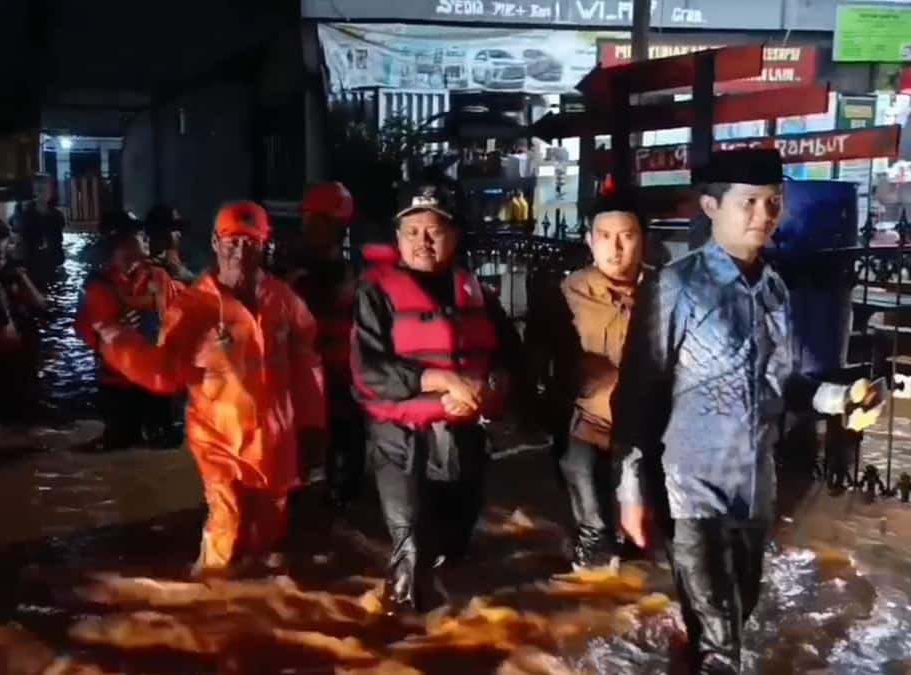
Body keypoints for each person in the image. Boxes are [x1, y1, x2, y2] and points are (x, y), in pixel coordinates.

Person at [613, 149, 885, 675]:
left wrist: (841, 399)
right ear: (711, 205)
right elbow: (638, 392)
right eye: (750, 202)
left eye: (773, 202)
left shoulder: (776, 290)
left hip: (755, 489)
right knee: (722, 639)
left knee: (737, 616)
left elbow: (781, 387)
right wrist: (631, 490)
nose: (763, 214)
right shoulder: (677, 285)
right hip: (690, 489)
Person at [92, 200, 326, 573]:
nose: (239, 251)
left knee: (267, 533)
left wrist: (313, 426)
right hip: (218, 440)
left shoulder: (284, 300)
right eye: (231, 242)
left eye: (250, 242)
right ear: (216, 244)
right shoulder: (193, 306)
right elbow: (164, 371)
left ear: (264, 246)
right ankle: (209, 599)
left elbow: (307, 364)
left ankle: (254, 607)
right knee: (227, 523)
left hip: (276, 440)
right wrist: (118, 343)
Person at [351, 182, 521, 612]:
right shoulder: (375, 292)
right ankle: (398, 645)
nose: (422, 242)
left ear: (454, 236)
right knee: (413, 553)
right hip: (401, 438)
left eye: (433, 231)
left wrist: (492, 387)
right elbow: (367, 373)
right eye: (412, 232)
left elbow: (511, 357)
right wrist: (441, 380)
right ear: (397, 237)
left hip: (463, 436)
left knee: (456, 548)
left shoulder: (476, 291)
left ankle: (454, 640)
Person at [535, 188, 645, 570]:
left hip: (647, 432)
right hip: (585, 425)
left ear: (644, 239)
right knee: (594, 533)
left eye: (627, 236)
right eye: (604, 237)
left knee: (644, 539)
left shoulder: (666, 294)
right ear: (589, 241)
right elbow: (536, 354)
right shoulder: (567, 294)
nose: (615, 249)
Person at [286, 181, 366, 506]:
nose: (336, 232)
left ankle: (339, 497)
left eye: (338, 226)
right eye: (328, 224)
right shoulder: (295, 269)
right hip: (307, 375)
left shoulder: (343, 268)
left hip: (340, 373)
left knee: (346, 445)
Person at [74, 217, 175, 450]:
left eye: (140, 241)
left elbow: (175, 320)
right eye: (128, 248)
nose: (135, 256)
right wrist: (114, 329)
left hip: (156, 379)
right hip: (118, 381)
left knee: (160, 442)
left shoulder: (159, 277)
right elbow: (86, 332)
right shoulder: (97, 286)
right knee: (119, 442)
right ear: (113, 250)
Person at [0, 214, 48, 421]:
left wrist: (21, 278)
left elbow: (40, 306)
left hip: (18, 360)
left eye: (3, 255)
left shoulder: (10, 275)